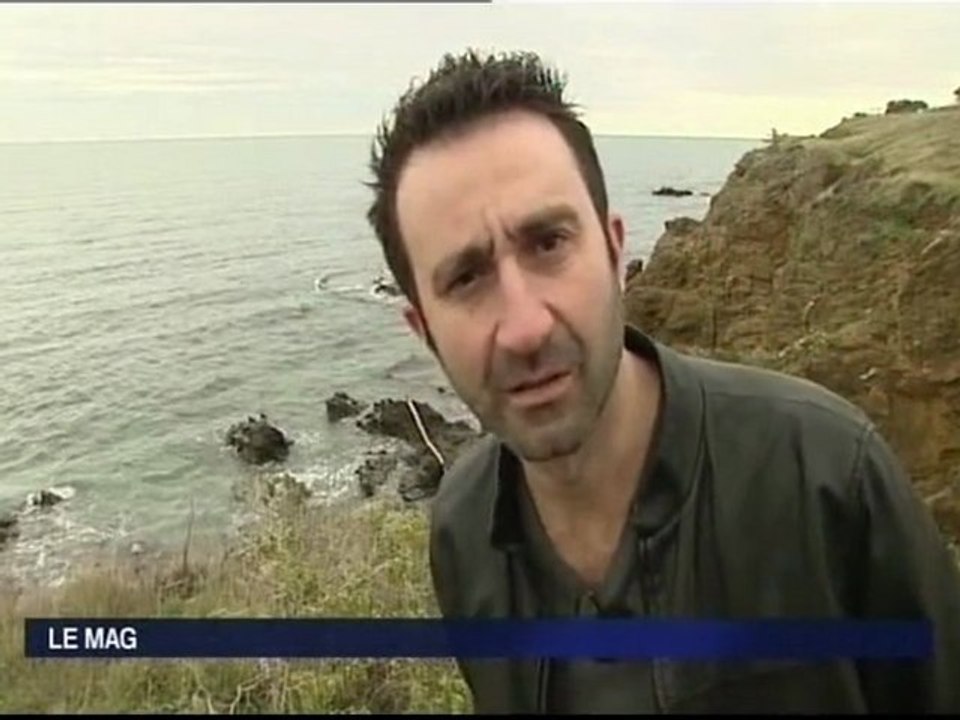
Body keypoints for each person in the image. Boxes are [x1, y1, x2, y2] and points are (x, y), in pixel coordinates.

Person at [364, 49, 960, 713]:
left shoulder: (825, 476)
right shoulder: (464, 530)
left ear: (616, 250)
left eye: (548, 243)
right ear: (423, 328)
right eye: (467, 278)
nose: (525, 326)